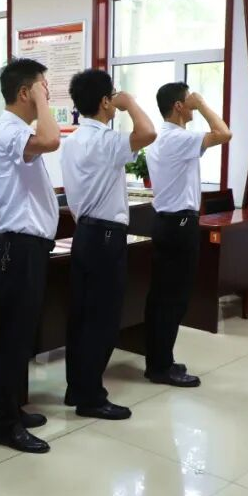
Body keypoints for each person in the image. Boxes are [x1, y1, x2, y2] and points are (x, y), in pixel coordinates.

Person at [61, 69, 156, 419]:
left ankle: (77, 388)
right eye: (112, 96)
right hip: (105, 236)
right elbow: (148, 132)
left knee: (82, 316)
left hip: (84, 233)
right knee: (102, 318)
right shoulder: (106, 141)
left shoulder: (72, 140)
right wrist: (130, 103)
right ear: (105, 101)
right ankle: (91, 397)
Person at [0, 58, 61, 453]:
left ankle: (13, 407)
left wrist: (40, 97)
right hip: (18, 247)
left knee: (22, 334)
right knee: (13, 337)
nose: (48, 93)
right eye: (43, 87)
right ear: (24, 92)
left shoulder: (18, 131)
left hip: (29, 246)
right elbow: (52, 139)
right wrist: (42, 101)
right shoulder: (8, 130)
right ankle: (5, 425)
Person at [143, 83, 231, 387]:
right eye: (188, 100)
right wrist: (203, 103)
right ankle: (160, 367)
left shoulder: (163, 138)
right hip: (179, 225)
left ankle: (160, 361)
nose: (193, 104)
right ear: (178, 106)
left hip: (167, 222)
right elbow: (224, 133)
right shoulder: (177, 138)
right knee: (173, 299)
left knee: (163, 297)